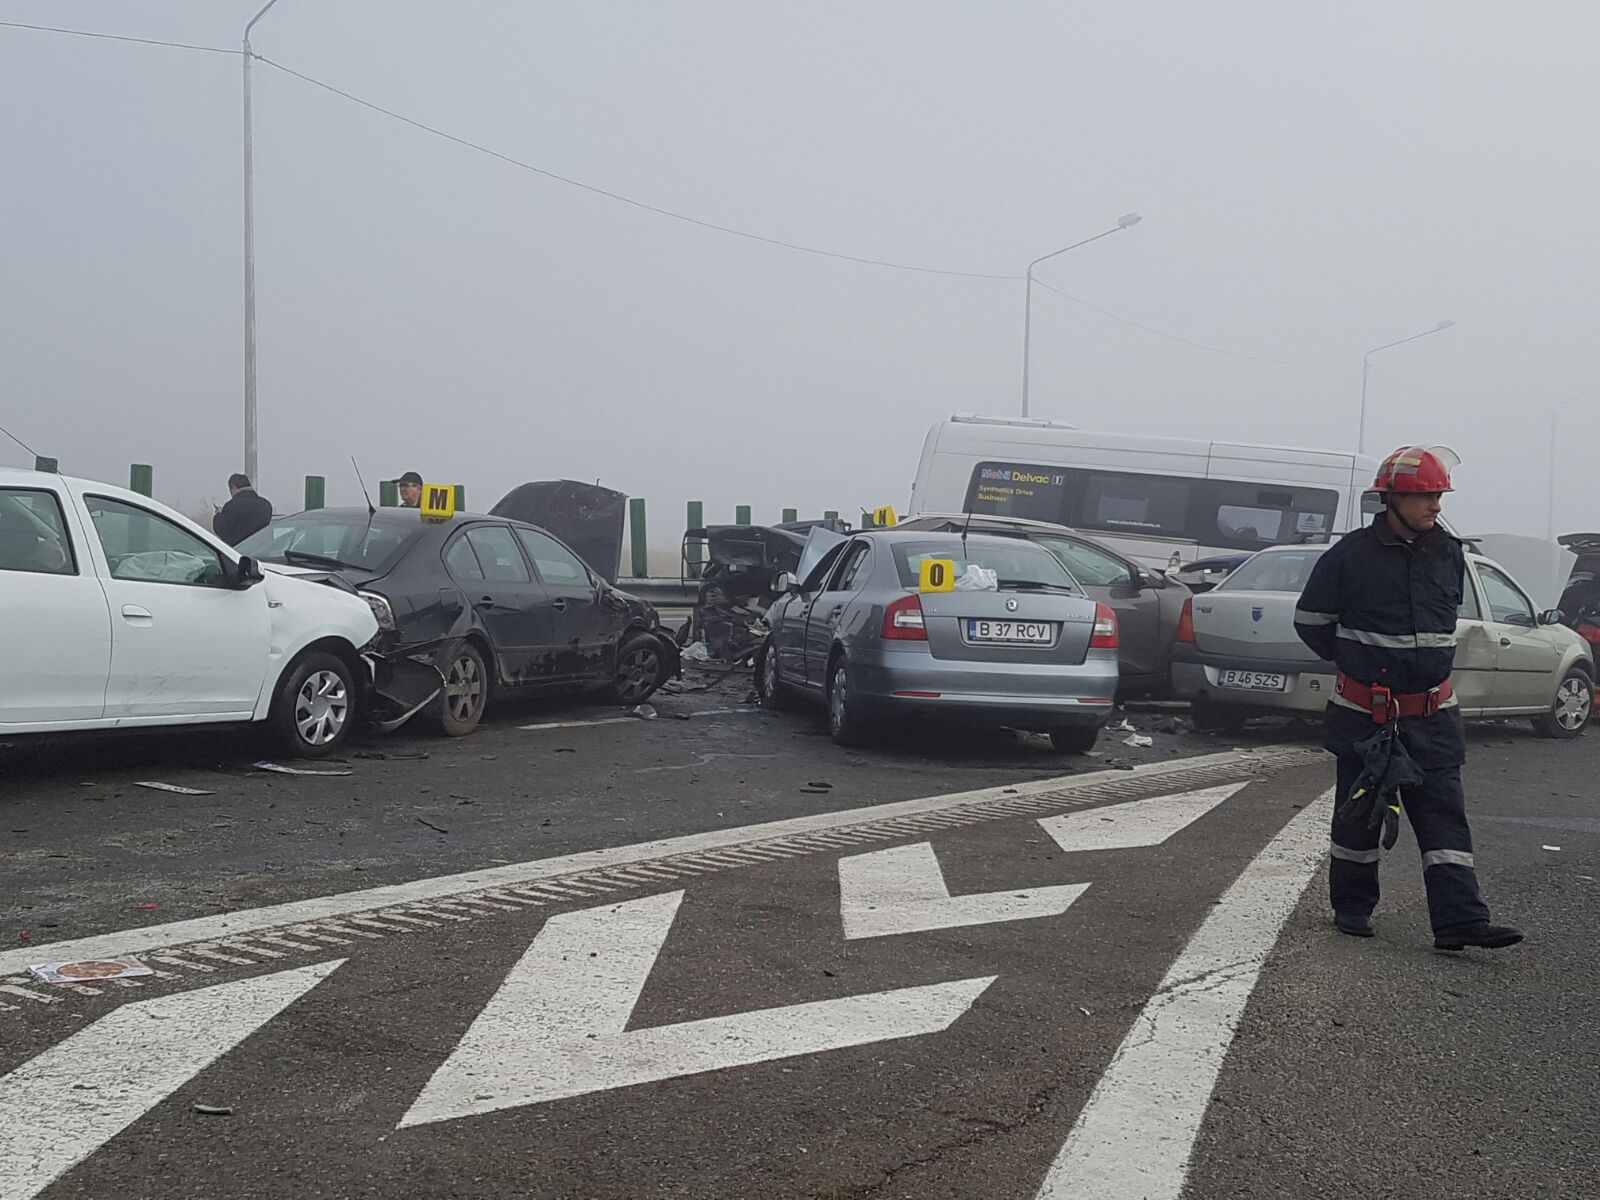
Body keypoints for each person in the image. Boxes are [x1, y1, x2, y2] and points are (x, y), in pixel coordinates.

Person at [1294, 445, 1522, 951]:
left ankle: (1460, 921)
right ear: (1391, 498)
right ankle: (1352, 908)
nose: (1435, 506)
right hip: (1364, 716)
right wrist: (1361, 670)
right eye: (1425, 497)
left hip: (1434, 716)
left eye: (1438, 496)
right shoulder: (1348, 556)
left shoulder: (1449, 551)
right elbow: (1311, 623)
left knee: (1445, 816)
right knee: (1359, 815)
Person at [213, 473, 272, 547]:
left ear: (233, 488)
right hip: (262, 550)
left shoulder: (231, 506)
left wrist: (218, 516)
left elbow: (222, 530)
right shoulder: (265, 505)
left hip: (238, 550)